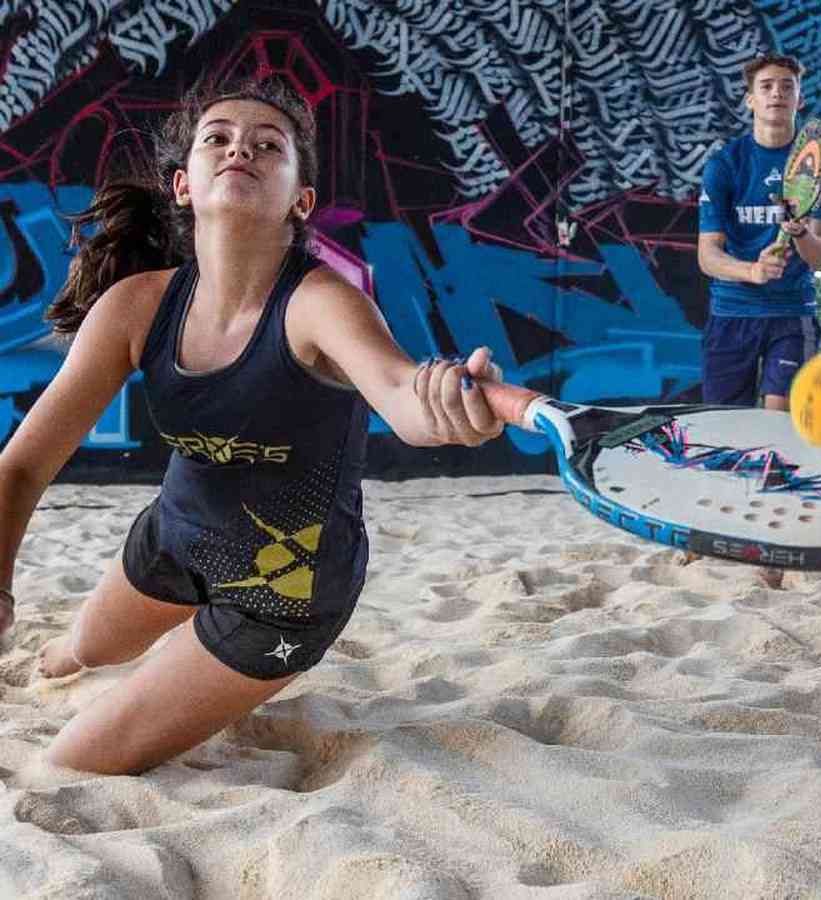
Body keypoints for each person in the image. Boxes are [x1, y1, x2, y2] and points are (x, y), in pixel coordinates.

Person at [0, 76, 508, 777]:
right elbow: (20, 468)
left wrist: (452, 412)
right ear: (184, 184)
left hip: (283, 592)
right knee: (80, 650)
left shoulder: (322, 304)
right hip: (173, 538)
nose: (241, 148)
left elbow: (403, 399)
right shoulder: (136, 307)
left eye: (269, 145)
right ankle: (82, 653)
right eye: (218, 138)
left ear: (300, 201)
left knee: (74, 761)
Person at [697, 52, 821, 410]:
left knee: (779, 424)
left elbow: (818, 257)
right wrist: (752, 271)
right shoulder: (724, 165)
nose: (777, 93)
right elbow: (707, 255)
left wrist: (801, 234)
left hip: (791, 313)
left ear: (799, 99)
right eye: (767, 86)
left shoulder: (818, 164)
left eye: (787, 86)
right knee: (726, 430)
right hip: (732, 313)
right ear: (751, 100)